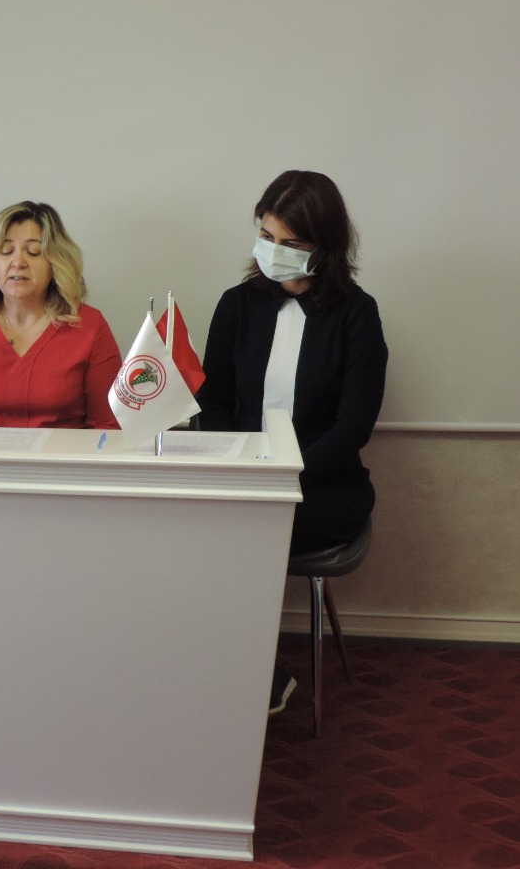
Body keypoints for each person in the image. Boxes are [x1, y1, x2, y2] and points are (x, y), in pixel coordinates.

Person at [197, 170, 388, 714]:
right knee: (187, 529)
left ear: (324, 248)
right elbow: (214, 402)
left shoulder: (357, 314)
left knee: (236, 536)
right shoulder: (236, 306)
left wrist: (282, 472)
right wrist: (242, 466)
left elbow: (352, 429)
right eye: (266, 236)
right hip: (244, 479)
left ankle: (250, 674)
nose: (273, 251)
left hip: (323, 487)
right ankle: (225, 668)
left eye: (291, 243)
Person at [0, 201, 121, 429]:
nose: (18, 262)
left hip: (63, 453)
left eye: (34, 252)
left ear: (55, 264)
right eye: (6, 251)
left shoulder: (90, 327)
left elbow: (107, 425)